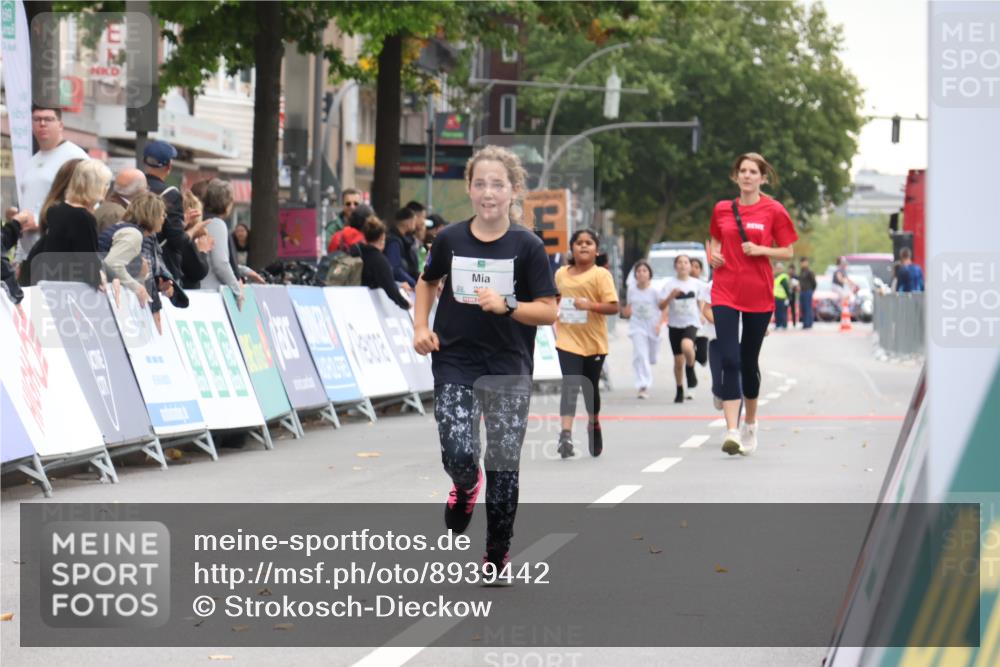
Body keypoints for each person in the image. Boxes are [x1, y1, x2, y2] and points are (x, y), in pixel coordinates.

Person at [412, 145, 558, 574]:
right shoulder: (451, 239)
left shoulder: (527, 246)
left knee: (504, 463)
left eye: (497, 184)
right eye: (480, 184)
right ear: (470, 190)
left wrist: (509, 305)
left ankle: (497, 550)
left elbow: (548, 310)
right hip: (455, 360)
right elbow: (427, 282)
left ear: (513, 191)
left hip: (508, 366)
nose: (488, 192)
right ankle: (464, 483)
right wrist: (421, 328)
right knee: (459, 451)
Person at [708, 152, 797, 456]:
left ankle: (751, 423)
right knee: (730, 359)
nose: (747, 176)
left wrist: (760, 249)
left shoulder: (774, 210)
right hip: (724, 290)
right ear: (736, 176)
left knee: (748, 362)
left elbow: (787, 252)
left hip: (758, 293)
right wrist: (713, 254)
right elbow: (715, 239)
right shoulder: (722, 209)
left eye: (753, 172)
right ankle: (731, 431)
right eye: (742, 171)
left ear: (762, 177)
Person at [554, 229, 620, 457]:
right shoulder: (561, 274)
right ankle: (565, 436)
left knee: (589, 388)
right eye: (579, 243)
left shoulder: (601, 275)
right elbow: (553, 298)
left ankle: (593, 422)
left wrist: (590, 305)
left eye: (588, 243)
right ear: (571, 248)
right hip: (567, 338)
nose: (583, 246)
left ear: (596, 249)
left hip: (593, 341)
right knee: (570, 384)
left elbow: (614, 307)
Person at [12, 105, 90, 264]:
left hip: (58, 255)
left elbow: (86, 203)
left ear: (60, 125)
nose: (42, 124)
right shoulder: (31, 162)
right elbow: (26, 205)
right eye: (37, 119)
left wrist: (41, 220)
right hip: (29, 255)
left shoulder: (75, 157)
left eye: (48, 119)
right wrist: (19, 257)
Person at [29, 159, 112, 288]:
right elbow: (88, 263)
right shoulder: (83, 217)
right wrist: (101, 277)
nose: (107, 188)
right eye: (105, 184)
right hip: (71, 289)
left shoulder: (56, 210)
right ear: (95, 186)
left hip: (50, 282)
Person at [143, 140, 209, 287]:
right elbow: (177, 240)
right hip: (160, 271)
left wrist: (181, 223)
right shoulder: (170, 194)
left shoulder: (135, 186)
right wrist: (192, 230)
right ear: (169, 166)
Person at [99, 191, 166, 309]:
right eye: (162, 214)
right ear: (153, 216)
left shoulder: (124, 227)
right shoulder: (133, 234)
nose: (163, 218)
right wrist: (137, 288)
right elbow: (112, 264)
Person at [662, 255, 704, 403]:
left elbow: (702, 300)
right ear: (675, 266)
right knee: (678, 362)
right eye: (679, 262)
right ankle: (679, 388)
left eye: (686, 262)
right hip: (674, 325)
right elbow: (661, 306)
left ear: (690, 266)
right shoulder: (669, 284)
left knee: (687, 346)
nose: (683, 265)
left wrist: (703, 314)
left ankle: (691, 367)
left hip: (691, 322)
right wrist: (671, 296)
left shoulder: (697, 284)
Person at [621, 260, 665, 399]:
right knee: (640, 356)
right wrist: (625, 312)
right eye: (638, 271)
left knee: (651, 358)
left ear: (649, 274)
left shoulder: (655, 290)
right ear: (635, 275)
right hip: (637, 326)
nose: (641, 273)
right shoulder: (631, 289)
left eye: (644, 271)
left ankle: (649, 365)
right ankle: (643, 385)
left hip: (652, 326)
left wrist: (659, 324)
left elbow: (663, 308)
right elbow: (628, 308)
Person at [197, 179, 243, 303]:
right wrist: (237, 289)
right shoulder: (217, 224)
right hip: (211, 293)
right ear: (226, 202)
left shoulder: (202, 220)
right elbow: (221, 263)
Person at [355, 216, 411, 311]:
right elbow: (389, 287)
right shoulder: (379, 260)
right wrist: (405, 304)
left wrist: (397, 284)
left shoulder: (358, 252)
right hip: (368, 307)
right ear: (382, 237)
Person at [96, 168, 147, 232]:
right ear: (139, 190)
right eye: (146, 187)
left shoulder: (109, 206)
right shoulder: (118, 214)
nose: (146, 191)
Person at [385, 207, 419, 287]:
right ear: (408, 222)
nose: (415, 225)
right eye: (414, 221)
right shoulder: (394, 242)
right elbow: (395, 268)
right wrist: (413, 283)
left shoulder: (405, 240)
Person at [689, 257, 710, 367]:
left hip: (701, 323)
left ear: (701, 270)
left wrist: (702, 314)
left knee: (702, 358)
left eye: (696, 267)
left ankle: (692, 360)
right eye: (691, 266)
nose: (693, 269)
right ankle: (690, 368)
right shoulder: (680, 283)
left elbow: (703, 300)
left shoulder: (703, 285)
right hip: (686, 323)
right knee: (687, 349)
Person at [797, 257, 816, 329]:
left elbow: (814, 283)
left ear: (807, 263)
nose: (803, 264)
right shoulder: (801, 272)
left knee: (808, 307)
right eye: (802, 262)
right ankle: (805, 323)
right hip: (802, 291)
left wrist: (811, 290)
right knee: (803, 308)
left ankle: (808, 323)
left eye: (804, 262)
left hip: (808, 291)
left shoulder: (809, 272)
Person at [773, 261, 791, 329]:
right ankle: (778, 324)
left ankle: (783, 325)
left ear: (782, 269)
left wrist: (788, 297)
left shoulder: (783, 278)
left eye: (779, 268)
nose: (778, 270)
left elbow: (786, 288)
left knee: (782, 313)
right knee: (777, 313)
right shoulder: (777, 277)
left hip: (782, 298)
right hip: (776, 298)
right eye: (777, 268)